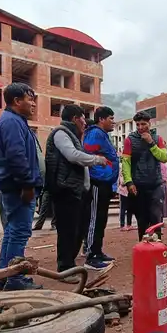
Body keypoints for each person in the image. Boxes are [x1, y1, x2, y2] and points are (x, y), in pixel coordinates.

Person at [45, 105, 108, 274]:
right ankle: (65, 267)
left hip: (77, 191)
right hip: (65, 190)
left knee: (77, 231)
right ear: (75, 118)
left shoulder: (73, 135)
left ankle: (70, 266)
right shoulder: (61, 133)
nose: (85, 123)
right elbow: (72, 155)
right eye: (83, 118)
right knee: (67, 231)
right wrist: (96, 160)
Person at [0, 82, 45, 290]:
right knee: (19, 232)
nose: (33, 104)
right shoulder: (12, 122)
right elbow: (16, 156)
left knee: (12, 232)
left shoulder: (15, 121)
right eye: (30, 99)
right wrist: (27, 185)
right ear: (17, 101)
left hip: (15, 186)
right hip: (18, 188)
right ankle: (15, 279)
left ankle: (4, 276)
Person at [81, 106, 119, 269]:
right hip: (98, 183)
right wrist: (101, 176)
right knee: (94, 218)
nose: (113, 122)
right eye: (111, 118)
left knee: (101, 219)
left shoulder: (102, 134)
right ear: (102, 119)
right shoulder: (95, 133)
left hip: (105, 183)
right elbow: (88, 157)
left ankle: (97, 250)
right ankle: (90, 255)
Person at [121, 111, 167, 238]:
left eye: (143, 124)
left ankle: (157, 245)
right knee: (142, 220)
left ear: (149, 124)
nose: (140, 127)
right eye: (138, 125)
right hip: (138, 186)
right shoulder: (129, 140)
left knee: (155, 217)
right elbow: (126, 163)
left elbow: (164, 158)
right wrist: (129, 182)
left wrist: (151, 143)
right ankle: (143, 245)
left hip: (155, 185)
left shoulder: (158, 139)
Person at [117, 166, 133, 231]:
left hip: (130, 191)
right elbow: (122, 182)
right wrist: (129, 181)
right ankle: (122, 225)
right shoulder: (122, 168)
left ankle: (129, 224)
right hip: (123, 192)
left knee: (130, 208)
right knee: (123, 209)